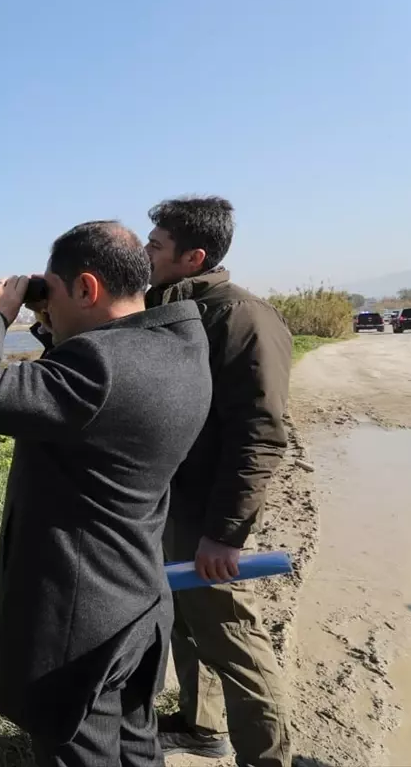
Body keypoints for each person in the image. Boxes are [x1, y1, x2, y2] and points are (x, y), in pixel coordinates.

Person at [0, 221, 213, 767]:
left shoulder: (99, 370)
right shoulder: (181, 346)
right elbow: (83, 386)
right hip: (140, 600)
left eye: (58, 293)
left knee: (80, 755)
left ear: (88, 289)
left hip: (82, 625)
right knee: (137, 748)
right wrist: (53, 318)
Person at [143, 196, 293, 767]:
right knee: (183, 622)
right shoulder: (164, 306)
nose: (145, 253)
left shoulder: (242, 317)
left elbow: (260, 433)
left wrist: (225, 533)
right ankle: (203, 727)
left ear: (193, 256)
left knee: (233, 637)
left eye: (156, 246)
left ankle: (268, 758)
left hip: (206, 513)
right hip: (167, 504)